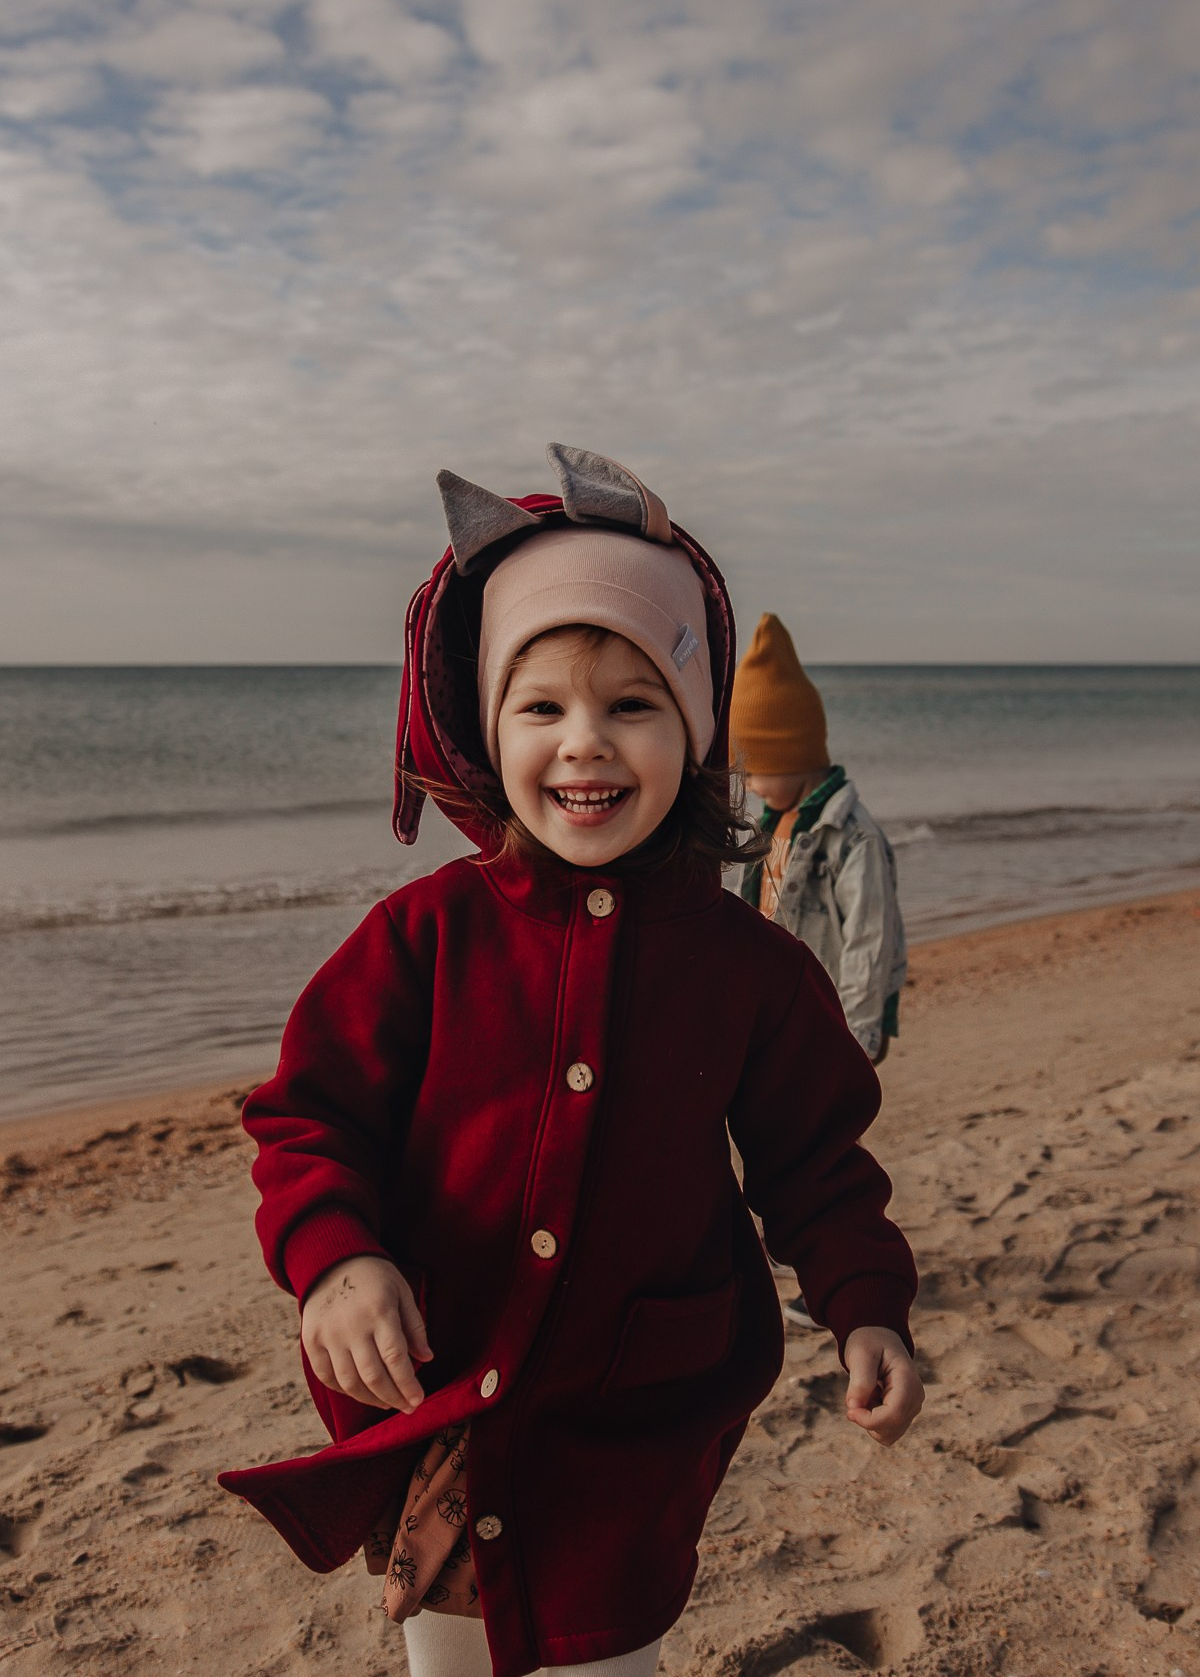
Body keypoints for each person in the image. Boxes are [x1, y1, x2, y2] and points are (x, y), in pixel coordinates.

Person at [219, 447, 922, 1677]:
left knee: (608, 1648)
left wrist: (866, 1306)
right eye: (542, 707)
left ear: (695, 733)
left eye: (633, 705)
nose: (585, 744)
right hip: (438, 1382)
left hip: (630, 1405)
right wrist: (337, 1262)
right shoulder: (425, 936)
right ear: (492, 733)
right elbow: (308, 1118)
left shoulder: (743, 965)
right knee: (449, 1642)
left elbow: (815, 1159)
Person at [730, 614, 906, 1071]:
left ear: (793, 755)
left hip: (836, 1021)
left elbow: (870, 940)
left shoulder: (852, 838)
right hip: (782, 1013)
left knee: (826, 1131)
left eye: (751, 772)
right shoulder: (770, 824)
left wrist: (857, 1038)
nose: (747, 786)